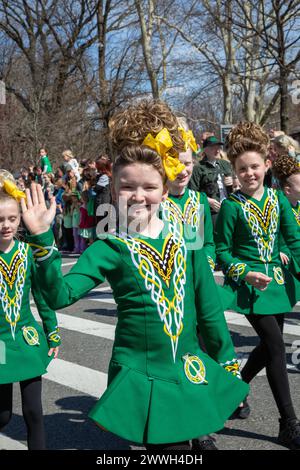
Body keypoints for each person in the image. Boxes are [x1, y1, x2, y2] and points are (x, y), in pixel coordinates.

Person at [21, 100, 248, 451]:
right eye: (128, 187)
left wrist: (225, 361)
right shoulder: (109, 246)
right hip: (144, 375)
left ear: (163, 187)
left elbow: (207, 307)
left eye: (150, 187)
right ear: (114, 189)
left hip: (189, 368)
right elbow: (58, 295)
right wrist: (42, 241)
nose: (139, 196)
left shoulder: (185, 235)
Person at [215, 122, 300, 449]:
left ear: (267, 164)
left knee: (268, 346)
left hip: (280, 286)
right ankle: (288, 423)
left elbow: (294, 239)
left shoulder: (279, 200)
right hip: (251, 288)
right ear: (234, 171)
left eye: (254, 166)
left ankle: (236, 388)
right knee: (277, 346)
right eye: (242, 169)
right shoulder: (232, 207)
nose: (249, 173)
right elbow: (223, 251)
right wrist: (244, 273)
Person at [0, 170, 60, 450]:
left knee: (34, 413)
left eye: (12, 219)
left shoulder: (27, 252)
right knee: (1, 416)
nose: (6, 225)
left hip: (27, 339)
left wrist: (53, 332)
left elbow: (43, 296)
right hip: (0, 344)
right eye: (0, 220)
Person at [189, 136, 233, 226]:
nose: (217, 150)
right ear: (205, 150)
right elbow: (192, 192)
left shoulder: (226, 164)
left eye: (218, 147)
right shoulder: (198, 168)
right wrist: (207, 201)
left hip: (229, 207)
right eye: (213, 148)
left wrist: (233, 182)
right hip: (211, 212)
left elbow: (239, 184)